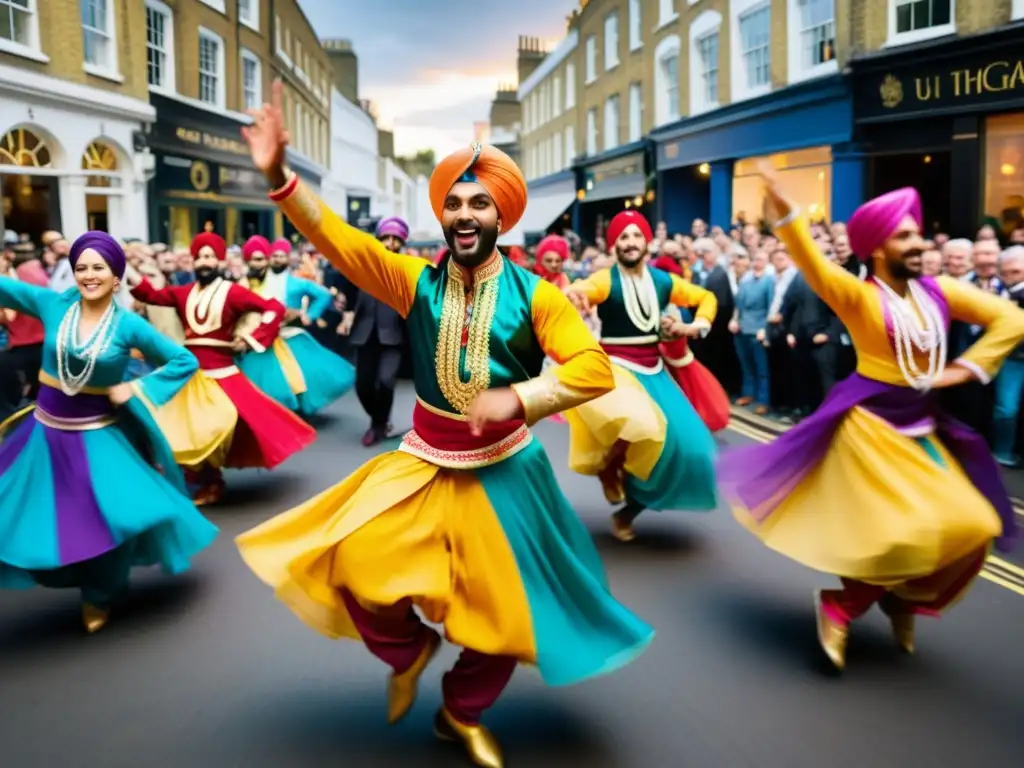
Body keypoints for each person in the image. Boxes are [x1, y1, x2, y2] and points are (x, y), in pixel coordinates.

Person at [235, 82, 653, 768]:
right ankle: (407, 650)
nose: (464, 212)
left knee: (504, 616)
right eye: (453, 202)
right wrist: (279, 176)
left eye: (479, 202)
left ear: (501, 217)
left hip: (508, 473)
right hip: (425, 460)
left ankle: (461, 711)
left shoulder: (539, 295)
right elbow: (339, 242)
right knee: (356, 561)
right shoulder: (413, 281)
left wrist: (520, 398)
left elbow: (591, 369)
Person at [718, 170, 1023, 672]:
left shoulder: (942, 290)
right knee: (898, 534)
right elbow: (813, 265)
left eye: (917, 233)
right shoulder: (860, 296)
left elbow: (1013, 319)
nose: (919, 243)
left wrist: (964, 370)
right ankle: (840, 606)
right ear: (878, 248)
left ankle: (902, 602)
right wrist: (785, 212)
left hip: (923, 428)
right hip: (870, 429)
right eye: (905, 236)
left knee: (975, 525)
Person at [0, 232, 217, 633]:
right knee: (26, 509)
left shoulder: (128, 325)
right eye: (81, 267)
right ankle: (62, 572)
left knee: (110, 517)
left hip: (99, 434)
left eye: (98, 267)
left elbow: (182, 360)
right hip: (45, 433)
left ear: (116, 277)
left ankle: (100, 594)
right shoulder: (52, 303)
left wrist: (137, 386)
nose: (88, 275)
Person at [563, 210, 720, 542]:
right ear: (614, 245)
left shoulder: (664, 281)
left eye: (636, 236)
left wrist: (692, 326)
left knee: (695, 450)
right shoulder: (606, 279)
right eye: (623, 237)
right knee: (644, 427)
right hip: (616, 371)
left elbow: (705, 298)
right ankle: (609, 466)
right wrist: (574, 295)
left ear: (647, 242)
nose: (630, 243)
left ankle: (628, 509)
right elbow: (584, 288)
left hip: (655, 371)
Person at [126, 232, 316, 505]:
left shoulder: (233, 292)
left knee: (218, 425)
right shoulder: (183, 292)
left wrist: (251, 339)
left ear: (219, 261)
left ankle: (209, 479)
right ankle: (197, 478)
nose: (204, 262)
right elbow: (152, 296)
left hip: (223, 374)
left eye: (209, 256)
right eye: (199, 257)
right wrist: (125, 271)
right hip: (189, 376)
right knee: (180, 426)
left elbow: (273, 308)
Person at [261, 236, 356, 417]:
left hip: (289, 333)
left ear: (288, 258)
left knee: (295, 375)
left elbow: (324, 295)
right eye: (274, 255)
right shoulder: (261, 282)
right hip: (264, 336)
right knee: (272, 376)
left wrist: (310, 315)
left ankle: (295, 409)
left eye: (281, 256)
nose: (277, 259)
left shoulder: (297, 283)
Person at [338, 217, 412, 446]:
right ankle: (379, 419)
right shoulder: (363, 267)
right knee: (363, 385)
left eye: (395, 240)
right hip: (365, 332)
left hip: (393, 334)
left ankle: (377, 425)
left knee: (386, 381)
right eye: (385, 238)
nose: (390, 244)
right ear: (377, 240)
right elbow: (348, 294)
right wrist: (345, 311)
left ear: (402, 243)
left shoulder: (407, 269)